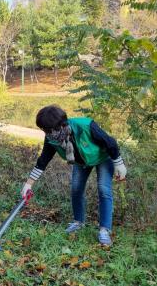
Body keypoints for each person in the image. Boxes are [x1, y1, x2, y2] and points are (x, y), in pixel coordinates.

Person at [20, 105, 127, 246]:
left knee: (104, 189)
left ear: (60, 125)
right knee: (76, 189)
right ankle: (78, 222)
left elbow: (110, 142)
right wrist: (28, 184)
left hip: (103, 158)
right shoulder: (51, 139)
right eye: (44, 130)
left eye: (49, 130)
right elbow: (43, 161)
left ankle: (104, 230)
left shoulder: (85, 126)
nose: (47, 133)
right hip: (81, 162)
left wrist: (119, 164)